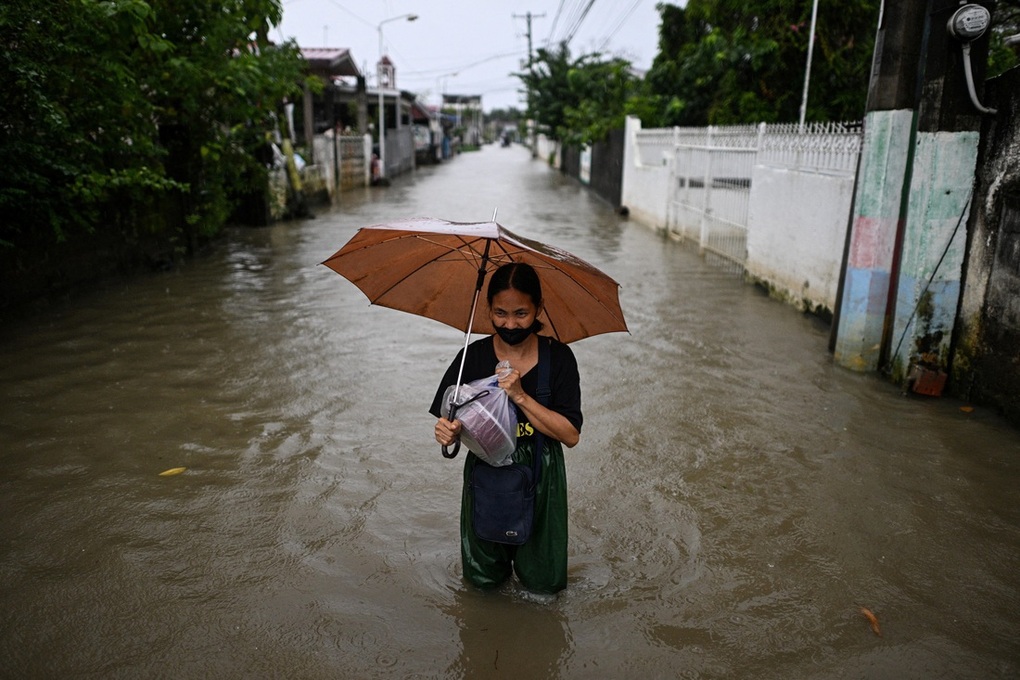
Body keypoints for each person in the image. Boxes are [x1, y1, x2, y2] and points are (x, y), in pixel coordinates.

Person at [430, 262, 583, 594]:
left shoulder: (559, 358)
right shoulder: (471, 357)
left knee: (543, 582)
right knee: (482, 580)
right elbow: (450, 421)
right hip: (486, 467)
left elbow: (570, 435)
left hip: (542, 468)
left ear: (538, 309)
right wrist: (447, 433)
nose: (510, 323)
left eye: (521, 314)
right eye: (500, 313)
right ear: (488, 310)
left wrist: (520, 396)